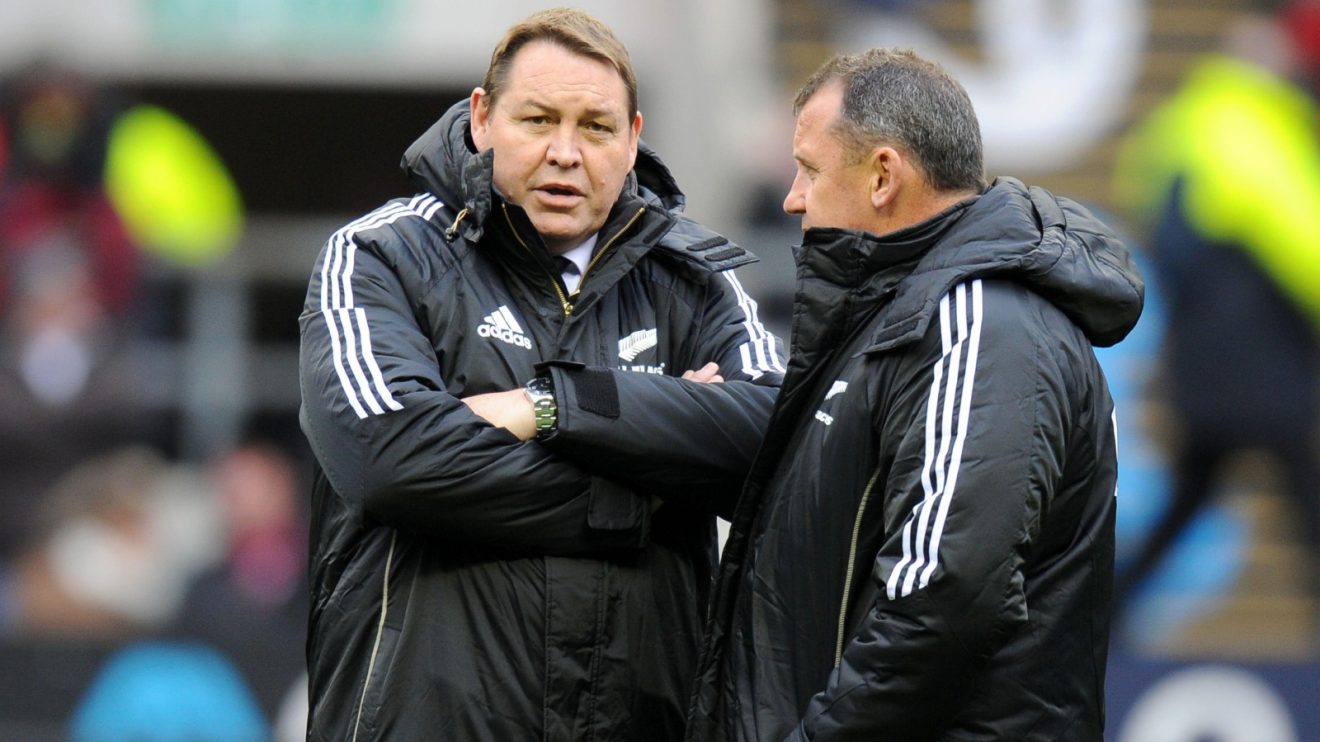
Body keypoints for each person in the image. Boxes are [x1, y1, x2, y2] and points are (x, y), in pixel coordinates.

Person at [297, 8, 783, 740]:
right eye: (538, 120)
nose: (565, 152)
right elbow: (389, 458)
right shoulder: (381, 257)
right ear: (483, 118)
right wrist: (648, 482)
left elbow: (776, 446)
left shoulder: (698, 280)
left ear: (632, 140)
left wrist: (551, 405)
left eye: (595, 127)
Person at [684, 49, 1144, 741]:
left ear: (882, 176)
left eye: (808, 168)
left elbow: (946, 593)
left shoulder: (982, 322)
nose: (792, 197)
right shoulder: (899, 312)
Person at [1111, 1, 1320, 617]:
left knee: (1187, 505)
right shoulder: (1251, 123)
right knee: (1305, 507)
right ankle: (1104, 629)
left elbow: (1144, 202)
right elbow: (1305, 241)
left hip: (1207, 365)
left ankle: (1103, 631)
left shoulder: (1188, 118)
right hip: (1258, 369)